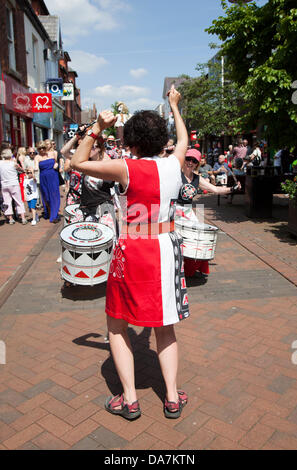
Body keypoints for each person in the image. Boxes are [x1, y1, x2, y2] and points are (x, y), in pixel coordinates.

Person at [70, 86, 190, 420]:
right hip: (166, 248)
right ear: (160, 139)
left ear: (131, 141)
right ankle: (171, 397)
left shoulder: (124, 168)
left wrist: (97, 127)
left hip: (132, 250)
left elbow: (76, 161)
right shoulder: (174, 164)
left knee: (117, 325)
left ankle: (130, 399)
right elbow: (182, 141)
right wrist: (174, 105)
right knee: (165, 327)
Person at [176, 149, 240, 278]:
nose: (190, 162)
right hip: (174, 210)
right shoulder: (175, 174)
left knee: (196, 239)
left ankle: (189, 268)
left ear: (197, 163)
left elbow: (215, 189)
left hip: (187, 211)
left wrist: (232, 189)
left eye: (194, 161)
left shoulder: (197, 179)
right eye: (188, 159)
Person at [35, 141, 60, 223]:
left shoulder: (53, 153)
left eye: (43, 148)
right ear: (38, 149)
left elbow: (57, 162)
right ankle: (49, 211)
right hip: (43, 178)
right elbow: (35, 167)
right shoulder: (37, 157)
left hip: (53, 176)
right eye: (40, 148)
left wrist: (57, 164)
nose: (42, 150)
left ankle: (54, 215)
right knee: (47, 196)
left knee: (54, 195)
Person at [0, 148, 28, 224]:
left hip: (4, 184)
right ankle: (23, 218)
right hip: (14, 184)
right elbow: (21, 170)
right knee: (19, 201)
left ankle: (10, 219)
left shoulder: (0, 163)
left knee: (7, 201)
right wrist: (23, 170)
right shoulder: (13, 163)